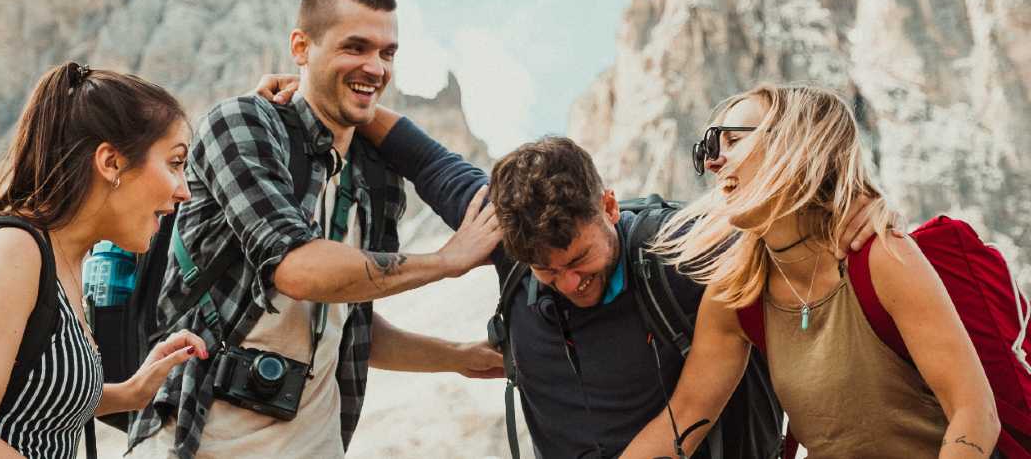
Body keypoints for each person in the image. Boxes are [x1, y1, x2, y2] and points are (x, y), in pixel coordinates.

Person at [258, 74, 878, 458]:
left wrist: (862, 209)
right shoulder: (508, 240)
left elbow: (790, 205)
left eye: (580, 260)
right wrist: (326, 95)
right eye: (548, 273)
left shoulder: (678, 249)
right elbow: (426, 160)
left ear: (608, 206)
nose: (571, 283)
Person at [127, 0, 504, 458]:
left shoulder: (375, 178)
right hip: (194, 445)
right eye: (355, 47)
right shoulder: (242, 124)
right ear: (301, 47)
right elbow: (298, 269)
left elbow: (348, 322)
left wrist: (458, 358)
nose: (376, 68)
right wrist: (446, 262)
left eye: (387, 53)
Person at [619, 84, 1000, 458]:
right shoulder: (737, 293)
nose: (713, 162)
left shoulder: (879, 257)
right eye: (711, 148)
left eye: (733, 141)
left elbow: (975, 413)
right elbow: (682, 421)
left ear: (796, 145)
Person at [0, 62, 207, 458]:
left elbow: (32, 395)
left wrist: (132, 392)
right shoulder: (15, 253)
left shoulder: (65, 260)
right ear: (111, 163)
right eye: (175, 163)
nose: (184, 192)